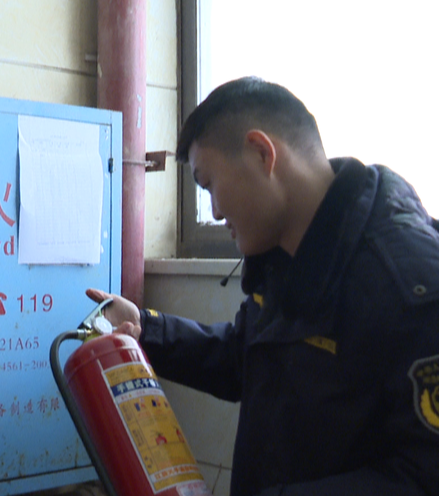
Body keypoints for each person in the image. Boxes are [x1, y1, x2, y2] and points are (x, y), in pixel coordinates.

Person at [88, 76, 439, 496]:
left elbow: (424, 474)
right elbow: (246, 357)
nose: (215, 212)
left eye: (209, 184)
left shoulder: (411, 285)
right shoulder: (284, 255)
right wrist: (147, 329)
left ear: (261, 153)